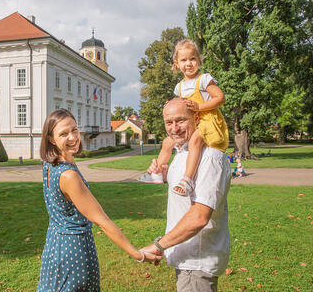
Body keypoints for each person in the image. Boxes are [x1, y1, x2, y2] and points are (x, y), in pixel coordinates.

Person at [37, 109, 160, 291]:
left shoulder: (49, 165)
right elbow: (102, 220)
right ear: (51, 139)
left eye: (74, 130)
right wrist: (138, 254)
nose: (73, 137)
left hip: (55, 244)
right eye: (64, 134)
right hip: (74, 250)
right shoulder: (68, 175)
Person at [142, 98, 231, 292]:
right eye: (169, 122)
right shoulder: (184, 152)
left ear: (196, 118)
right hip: (185, 259)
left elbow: (199, 217)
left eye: (180, 120)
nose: (174, 128)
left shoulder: (209, 157)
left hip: (197, 262)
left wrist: (158, 245)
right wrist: (163, 174)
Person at [139, 39, 229, 198]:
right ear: (177, 64)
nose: (189, 63)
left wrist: (199, 107)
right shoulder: (179, 87)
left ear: (199, 60)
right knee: (167, 142)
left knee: (195, 140)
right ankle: (158, 171)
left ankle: (188, 179)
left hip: (207, 121)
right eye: (184, 60)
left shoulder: (204, 79)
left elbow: (220, 98)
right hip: (192, 122)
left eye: (193, 58)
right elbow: (181, 107)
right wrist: (171, 104)